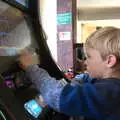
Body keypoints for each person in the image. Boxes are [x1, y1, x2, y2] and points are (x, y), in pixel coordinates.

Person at [19, 27, 120, 120]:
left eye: (89, 57)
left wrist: (31, 67)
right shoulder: (111, 85)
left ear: (109, 61)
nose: (85, 62)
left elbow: (58, 96)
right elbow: (87, 78)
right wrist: (78, 80)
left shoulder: (110, 92)